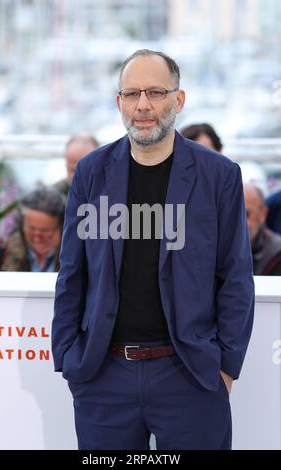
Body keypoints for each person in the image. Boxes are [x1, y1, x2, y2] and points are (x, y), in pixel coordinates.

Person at [52, 49, 254, 450]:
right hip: (104, 375)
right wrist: (69, 358)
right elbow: (72, 270)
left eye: (156, 92)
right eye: (132, 94)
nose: (143, 105)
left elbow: (235, 275)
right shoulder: (92, 171)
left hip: (190, 376)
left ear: (178, 100)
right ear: (119, 102)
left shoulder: (219, 176)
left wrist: (225, 368)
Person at [0, 187, 64, 272]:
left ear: (61, 227)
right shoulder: (0, 253)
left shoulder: (75, 256)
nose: (37, 237)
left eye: (45, 231)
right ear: (22, 224)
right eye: (31, 228)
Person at [244, 183, 281, 275]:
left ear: (263, 214)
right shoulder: (214, 249)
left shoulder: (277, 253)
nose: (236, 222)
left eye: (245, 214)